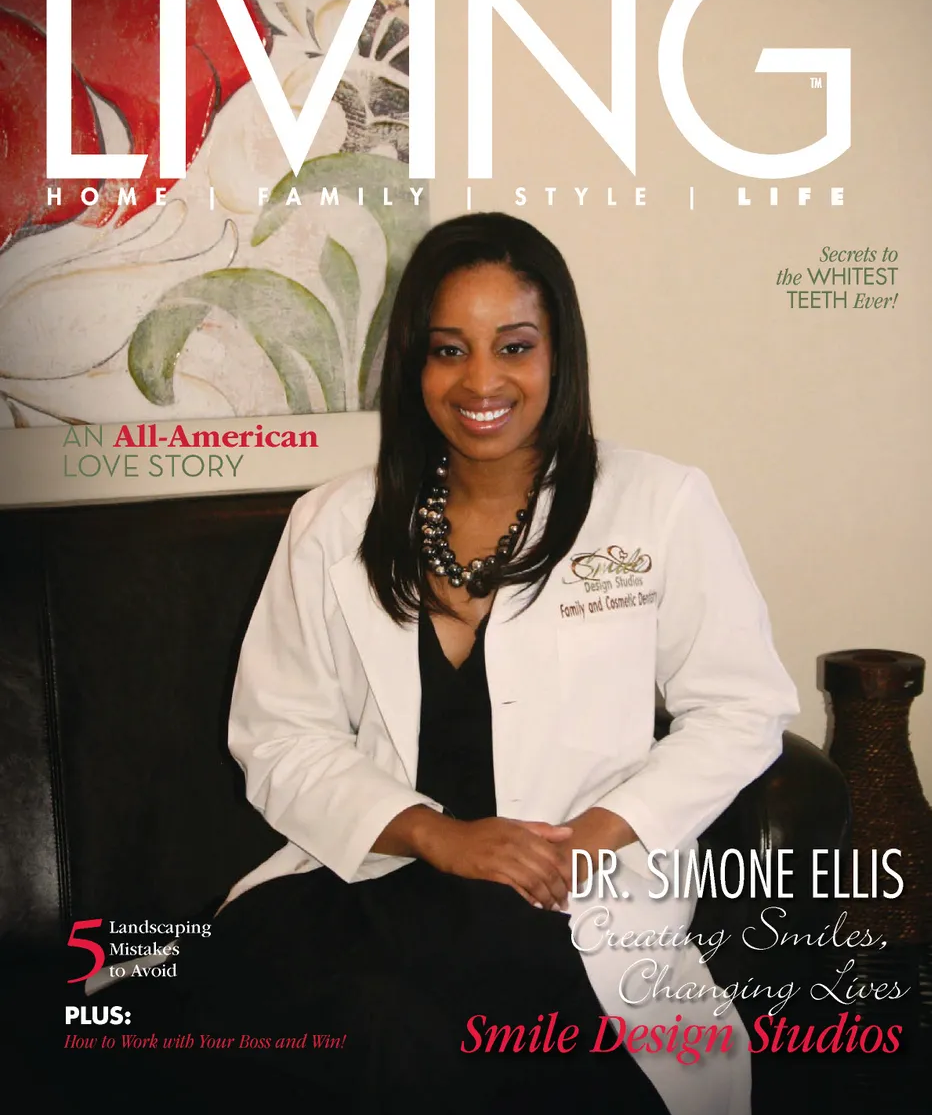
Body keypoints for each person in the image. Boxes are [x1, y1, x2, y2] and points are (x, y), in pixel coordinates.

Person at [191, 212, 799, 1114]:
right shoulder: (333, 522)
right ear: (415, 364)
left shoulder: (657, 504)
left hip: (555, 895)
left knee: (422, 1033)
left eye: (514, 346)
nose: (481, 381)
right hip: (370, 881)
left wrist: (600, 832)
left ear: (558, 355)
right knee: (310, 995)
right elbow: (279, 735)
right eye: (449, 350)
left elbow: (742, 709)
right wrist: (438, 835)